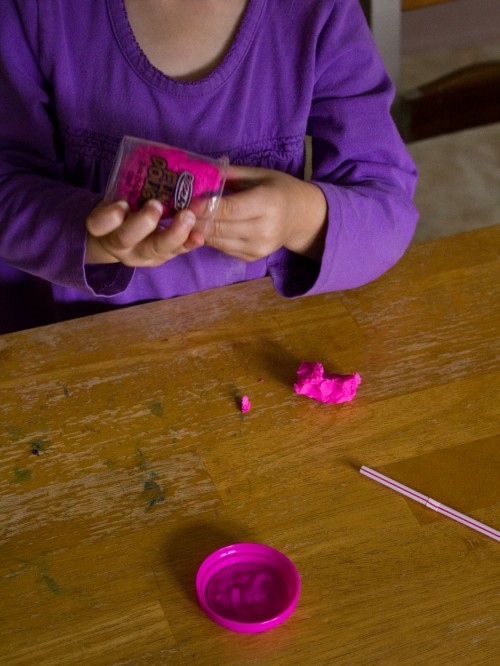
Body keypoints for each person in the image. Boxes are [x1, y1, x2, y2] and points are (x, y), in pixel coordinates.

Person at [0, 0, 418, 334]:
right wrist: (96, 241)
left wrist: (299, 218)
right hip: (84, 336)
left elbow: (387, 205)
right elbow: (9, 184)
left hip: (260, 335)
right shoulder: (35, 10)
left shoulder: (319, 12)